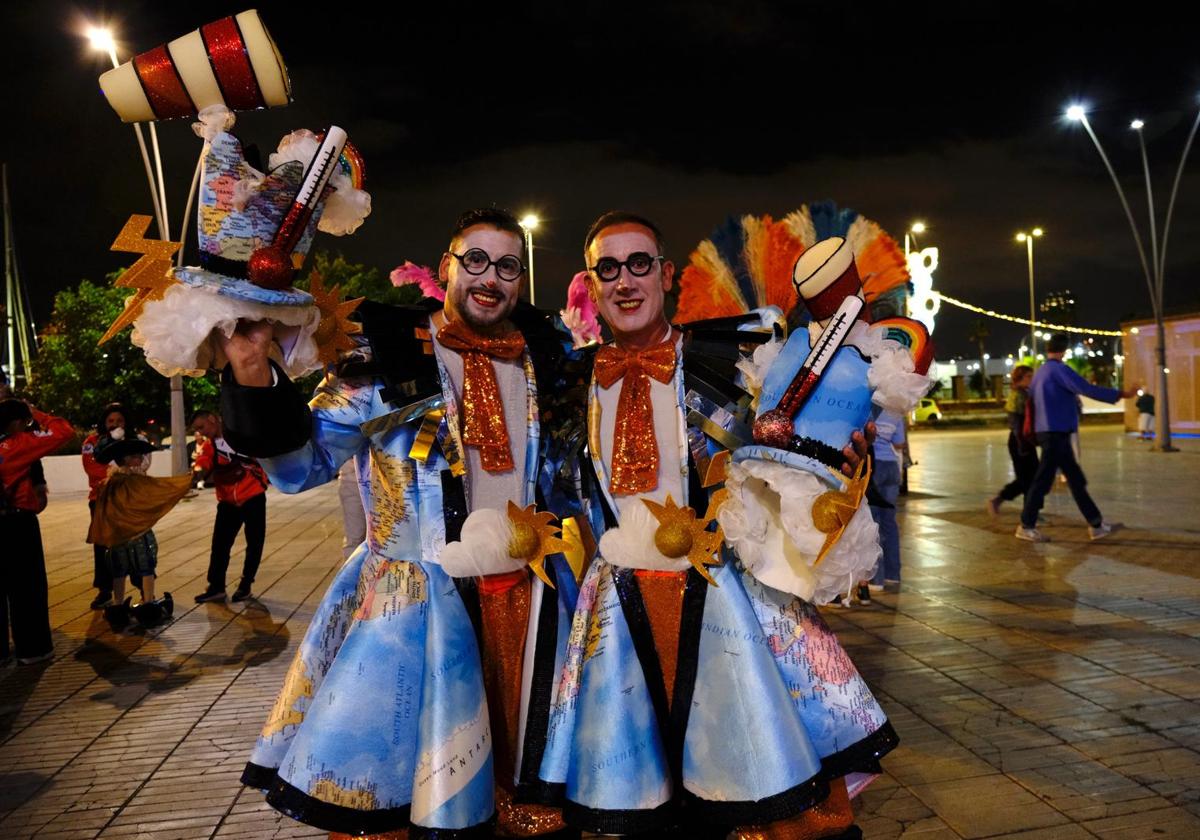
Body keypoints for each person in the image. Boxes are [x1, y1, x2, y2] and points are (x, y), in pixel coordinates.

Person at [225, 208, 584, 837]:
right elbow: (299, 469)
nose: (490, 278)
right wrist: (252, 372)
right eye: (475, 259)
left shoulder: (542, 363)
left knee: (529, 792)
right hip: (414, 606)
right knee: (419, 792)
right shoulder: (389, 361)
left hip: (529, 599)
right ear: (445, 266)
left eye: (507, 265)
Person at [537, 213, 897, 838]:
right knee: (635, 788)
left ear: (667, 275)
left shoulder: (730, 361)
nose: (625, 280)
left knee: (750, 783)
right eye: (608, 268)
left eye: (640, 263)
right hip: (617, 611)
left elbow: (800, 443)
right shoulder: (567, 383)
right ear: (591, 285)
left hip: (726, 599)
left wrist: (844, 451)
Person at [1016, 333, 1138, 542]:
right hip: (1055, 434)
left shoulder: (1040, 373)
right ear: (1064, 350)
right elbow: (1086, 388)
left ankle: (1096, 524)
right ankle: (1026, 525)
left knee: (1075, 479)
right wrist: (1121, 394)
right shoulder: (1059, 370)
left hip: (1048, 432)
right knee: (1043, 480)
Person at [0, 400, 74, 665]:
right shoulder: (18, 443)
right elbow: (64, 431)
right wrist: (36, 412)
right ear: (18, 422)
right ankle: (33, 649)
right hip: (17, 525)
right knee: (27, 588)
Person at [90, 435, 190, 629]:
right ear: (127, 459)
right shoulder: (133, 481)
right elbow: (158, 490)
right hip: (138, 532)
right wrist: (182, 483)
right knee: (145, 568)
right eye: (137, 456)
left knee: (119, 571)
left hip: (119, 535)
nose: (141, 460)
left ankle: (118, 605)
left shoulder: (108, 483)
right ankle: (147, 604)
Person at [190, 410, 269, 604]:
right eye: (197, 430)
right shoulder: (210, 446)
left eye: (201, 427)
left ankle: (245, 585)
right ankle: (216, 587)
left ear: (212, 420)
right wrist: (196, 471)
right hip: (227, 502)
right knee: (220, 545)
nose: (201, 432)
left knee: (254, 543)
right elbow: (203, 463)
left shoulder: (240, 436)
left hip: (253, 496)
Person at [82, 403, 143, 609]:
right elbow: (92, 467)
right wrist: (117, 468)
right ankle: (105, 589)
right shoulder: (91, 442)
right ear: (104, 422)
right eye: (110, 421)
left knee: (135, 543)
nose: (114, 424)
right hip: (100, 499)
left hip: (127, 499)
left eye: (119, 421)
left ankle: (143, 585)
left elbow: (140, 464)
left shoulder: (134, 440)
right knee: (103, 545)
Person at [987, 365, 1037, 516]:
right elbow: (1015, 422)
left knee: (1033, 476)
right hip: (1019, 440)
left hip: (1026, 440)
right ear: (1019, 378)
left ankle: (1030, 510)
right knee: (1027, 479)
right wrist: (1021, 443)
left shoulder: (1025, 393)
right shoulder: (1017, 396)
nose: (1031, 379)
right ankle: (1000, 500)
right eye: (1028, 376)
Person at [867, 409, 906, 596]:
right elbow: (899, 444)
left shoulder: (869, 409)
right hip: (891, 468)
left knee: (873, 523)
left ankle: (877, 578)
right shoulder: (895, 412)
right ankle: (893, 574)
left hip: (874, 467)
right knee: (889, 522)